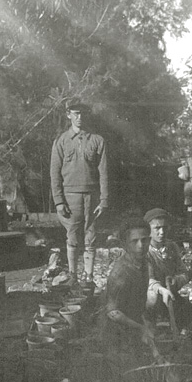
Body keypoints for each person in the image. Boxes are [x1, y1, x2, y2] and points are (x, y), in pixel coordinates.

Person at [50, 101, 108, 286]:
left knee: (90, 236)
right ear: (69, 115)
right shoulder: (61, 141)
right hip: (70, 197)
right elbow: (54, 173)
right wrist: (59, 201)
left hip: (91, 196)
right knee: (72, 236)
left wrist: (104, 199)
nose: (79, 117)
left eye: (82, 114)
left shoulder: (97, 140)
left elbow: (104, 172)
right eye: (75, 113)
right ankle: (73, 277)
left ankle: (89, 278)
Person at [102, 217, 155, 367]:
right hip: (115, 333)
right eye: (135, 241)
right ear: (125, 245)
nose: (141, 245)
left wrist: (145, 325)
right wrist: (141, 328)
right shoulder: (121, 272)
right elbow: (112, 313)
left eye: (145, 240)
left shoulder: (144, 263)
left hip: (134, 325)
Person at [144, 208, 192, 333]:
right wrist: (161, 289)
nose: (162, 232)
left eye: (165, 227)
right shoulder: (145, 251)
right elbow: (148, 280)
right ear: (148, 230)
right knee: (152, 297)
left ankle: (178, 324)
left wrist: (176, 280)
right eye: (157, 228)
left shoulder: (172, 247)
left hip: (172, 297)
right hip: (149, 299)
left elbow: (183, 273)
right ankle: (151, 321)